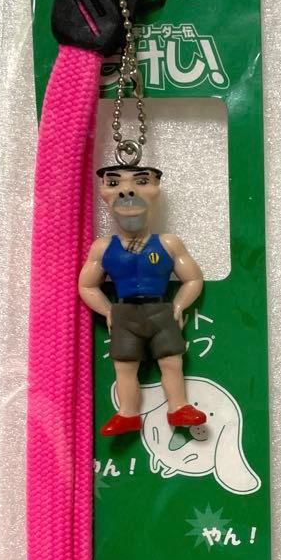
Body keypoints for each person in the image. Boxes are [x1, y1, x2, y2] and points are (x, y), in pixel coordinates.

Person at [78, 165, 207, 435]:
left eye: (141, 181)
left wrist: (178, 305)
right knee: (124, 366)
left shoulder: (169, 243)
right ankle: (127, 413)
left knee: (171, 361)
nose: (127, 191)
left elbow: (193, 279)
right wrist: (108, 311)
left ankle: (178, 406)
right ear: (104, 193)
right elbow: (87, 285)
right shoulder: (102, 247)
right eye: (114, 183)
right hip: (125, 314)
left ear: (155, 189)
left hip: (160, 310)